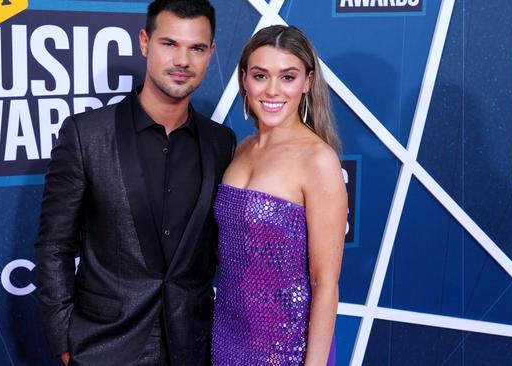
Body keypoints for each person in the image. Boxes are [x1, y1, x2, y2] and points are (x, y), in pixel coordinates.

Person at [35, 1, 236, 365]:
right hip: (103, 346)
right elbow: (54, 246)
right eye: (169, 44)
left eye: (197, 48)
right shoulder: (87, 135)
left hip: (193, 348)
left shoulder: (221, 143)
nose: (182, 61)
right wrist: (65, 340)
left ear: (211, 54)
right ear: (145, 42)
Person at [211, 25, 347, 365]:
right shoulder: (241, 148)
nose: (272, 90)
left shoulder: (318, 160)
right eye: (260, 75)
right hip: (226, 338)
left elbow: (325, 284)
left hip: (284, 350)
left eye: (287, 77)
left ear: (307, 82)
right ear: (244, 79)